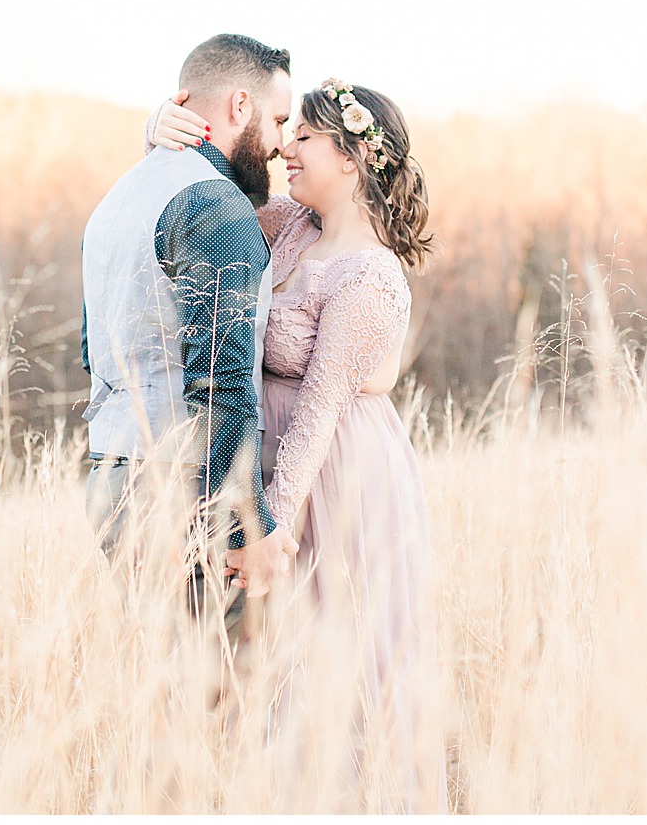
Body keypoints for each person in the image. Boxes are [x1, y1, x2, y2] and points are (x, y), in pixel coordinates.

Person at [146, 77, 445, 811]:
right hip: (280, 473)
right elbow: (216, 195)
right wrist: (161, 135)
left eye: (304, 137)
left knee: (337, 663)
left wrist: (265, 526)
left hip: (336, 483)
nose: (285, 147)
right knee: (282, 673)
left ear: (351, 157)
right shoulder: (290, 226)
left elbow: (316, 415)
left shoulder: (371, 275)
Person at [81, 33, 298, 632]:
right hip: (178, 490)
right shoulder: (216, 207)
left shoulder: (117, 199)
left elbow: (89, 349)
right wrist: (241, 526)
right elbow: (221, 381)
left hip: (112, 472)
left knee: (166, 691)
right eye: (278, 119)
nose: (281, 145)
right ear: (238, 106)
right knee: (229, 695)